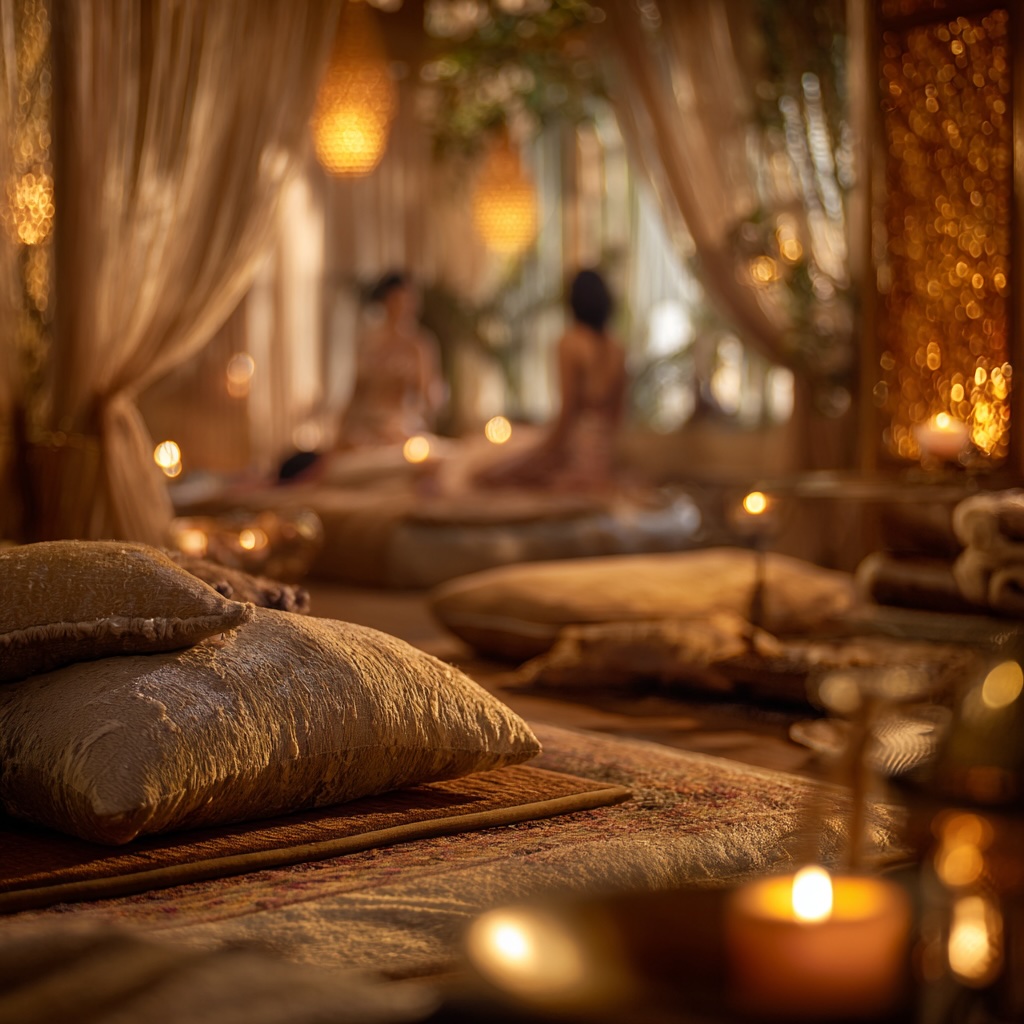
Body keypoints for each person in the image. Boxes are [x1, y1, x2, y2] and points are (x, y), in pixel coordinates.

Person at [475, 269, 627, 492]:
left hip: (574, 448)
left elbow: (568, 414)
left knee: (490, 476)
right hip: (602, 454)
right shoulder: (617, 349)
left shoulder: (570, 343)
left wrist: (545, 451)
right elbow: (617, 417)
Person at [337, 271, 444, 449]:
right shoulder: (369, 342)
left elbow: (430, 397)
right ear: (386, 302)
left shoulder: (420, 345)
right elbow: (357, 390)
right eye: (397, 301)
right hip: (369, 424)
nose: (403, 307)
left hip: (402, 424)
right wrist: (341, 427)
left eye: (408, 301)